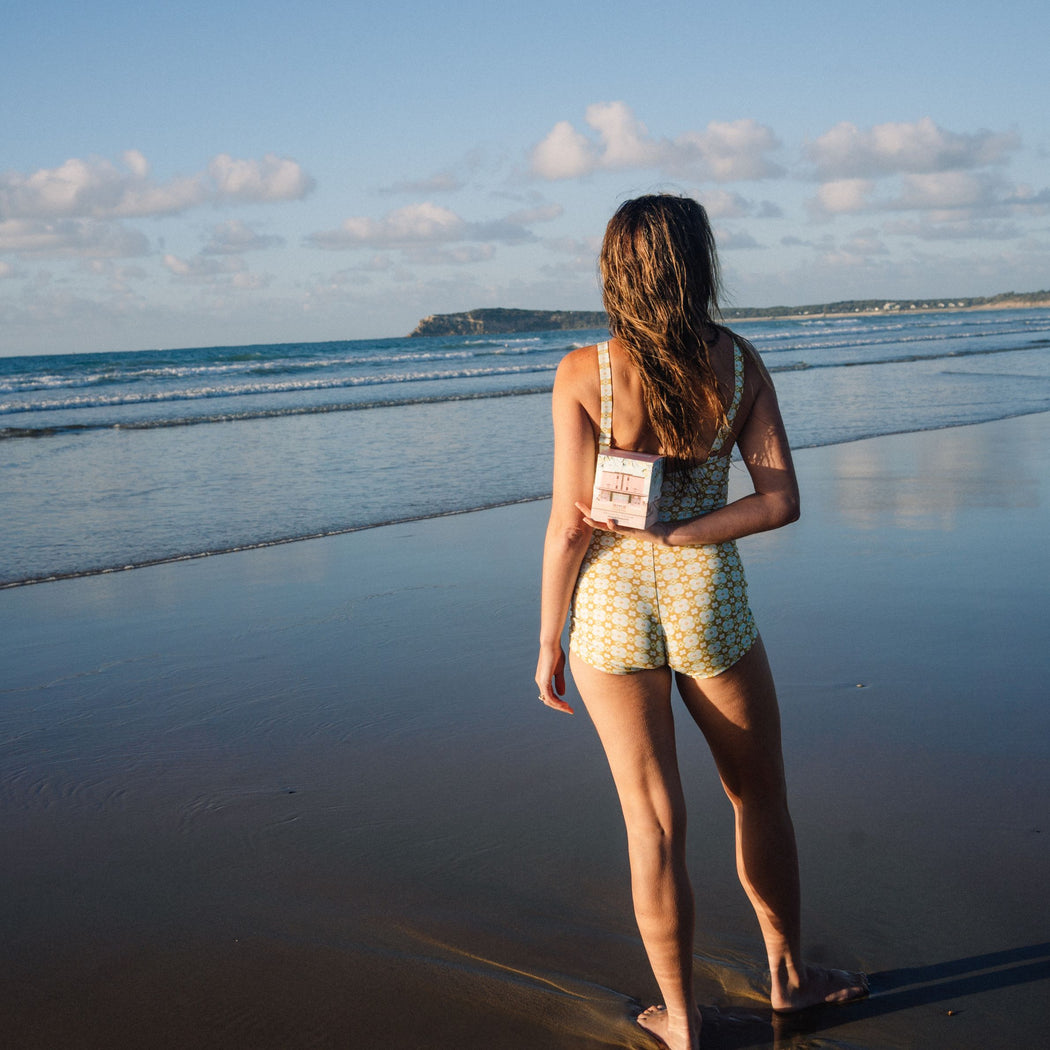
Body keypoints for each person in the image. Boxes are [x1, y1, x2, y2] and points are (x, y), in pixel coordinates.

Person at [535, 195, 867, 1050]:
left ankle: (681, 1023)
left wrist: (546, 637)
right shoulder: (740, 362)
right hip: (706, 596)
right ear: (696, 264)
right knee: (759, 794)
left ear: (617, 271)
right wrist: (685, 532)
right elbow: (779, 501)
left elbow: (571, 523)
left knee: (652, 822)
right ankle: (788, 979)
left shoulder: (584, 373)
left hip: (609, 607)